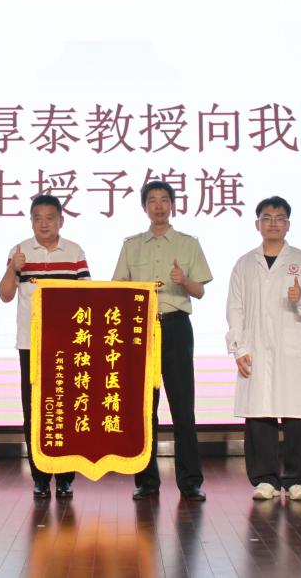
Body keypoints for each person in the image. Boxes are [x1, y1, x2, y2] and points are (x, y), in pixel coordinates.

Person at [113, 180, 212, 502]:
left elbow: (200, 291)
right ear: (144, 207)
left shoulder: (188, 243)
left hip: (176, 327)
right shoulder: (131, 246)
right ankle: (146, 482)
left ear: (172, 205)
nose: (158, 205)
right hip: (140, 330)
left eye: (164, 200)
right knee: (143, 410)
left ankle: (190, 482)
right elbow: (119, 288)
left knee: (183, 408)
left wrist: (184, 280)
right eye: (152, 200)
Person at [225, 196, 301, 501]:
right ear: (257, 224)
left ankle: (297, 480)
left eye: (280, 218)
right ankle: (264, 479)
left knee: (297, 414)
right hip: (255, 347)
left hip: (293, 349)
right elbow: (235, 308)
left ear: (288, 225)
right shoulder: (244, 264)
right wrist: (239, 347)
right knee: (259, 414)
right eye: (267, 218)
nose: (273, 224)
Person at [0, 194, 90, 500]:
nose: (44, 223)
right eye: (37, 218)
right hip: (31, 344)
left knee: (67, 409)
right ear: (31, 221)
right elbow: (5, 295)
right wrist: (13, 269)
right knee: (34, 410)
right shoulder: (19, 251)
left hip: (68, 344)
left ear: (61, 220)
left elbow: (88, 297)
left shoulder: (74, 252)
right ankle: (39, 476)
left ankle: (65, 477)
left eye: (50, 218)